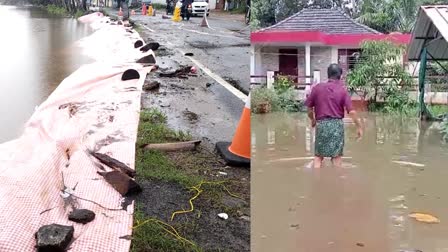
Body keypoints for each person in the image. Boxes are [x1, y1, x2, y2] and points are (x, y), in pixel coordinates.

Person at [304, 64, 363, 168]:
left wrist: (313, 119)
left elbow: (309, 109)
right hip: (336, 125)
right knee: (336, 156)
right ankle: (337, 179)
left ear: (328, 74)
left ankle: (316, 179)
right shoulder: (342, 90)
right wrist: (359, 127)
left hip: (321, 124)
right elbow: (352, 112)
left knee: (318, 155)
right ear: (340, 76)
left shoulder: (317, 88)